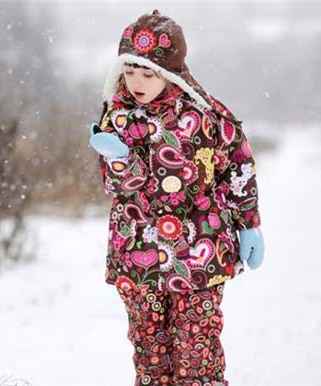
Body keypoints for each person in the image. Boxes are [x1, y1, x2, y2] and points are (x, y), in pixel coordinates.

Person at [88, 9, 265, 386]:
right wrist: (120, 161)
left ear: (168, 72)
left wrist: (249, 223)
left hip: (200, 251)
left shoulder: (205, 115)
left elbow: (237, 165)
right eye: (129, 71)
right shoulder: (117, 117)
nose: (136, 81)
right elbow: (117, 188)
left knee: (196, 352)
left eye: (147, 72)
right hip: (139, 254)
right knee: (151, 356)